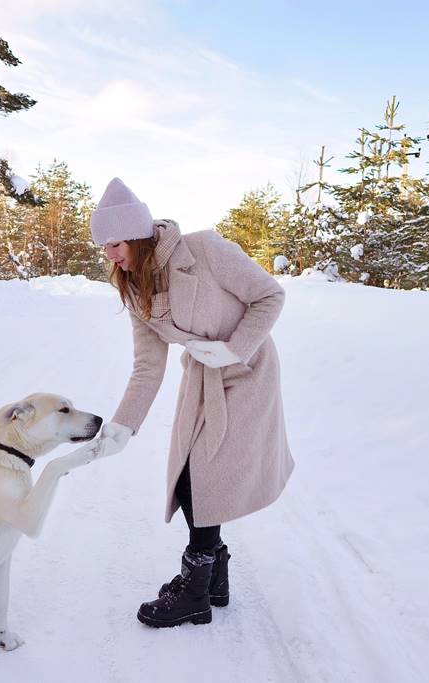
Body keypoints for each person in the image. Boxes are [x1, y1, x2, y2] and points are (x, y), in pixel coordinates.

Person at [92, 177, 295, 628]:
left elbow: (270, 296)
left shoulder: (204, 250)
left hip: (247, 369)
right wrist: (123, 426)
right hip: (203, 378)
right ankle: (213, 573)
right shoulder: (133, 286)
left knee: (204, 477)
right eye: (103, 247)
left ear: (138, 235)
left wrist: (234, 348)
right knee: (188, 475)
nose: (110, 255)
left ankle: (196, 592)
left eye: (114, 243)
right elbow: (148, 366)